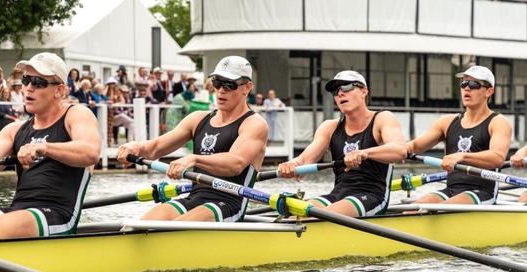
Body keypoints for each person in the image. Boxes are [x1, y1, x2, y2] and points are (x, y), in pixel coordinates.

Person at [0, 52, 101, 241]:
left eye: (38, 82)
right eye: (26, 80)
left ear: (60, 91)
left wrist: (44, 148)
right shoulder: (14, 129)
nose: (28, 88)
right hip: (17, 209)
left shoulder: (77, 115)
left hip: (56, 214)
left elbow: (90, 152)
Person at [118, 56, 268, 222]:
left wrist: (194, 159)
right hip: (194, 198)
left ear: (247, 87)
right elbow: (154, 148)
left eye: (229, 84)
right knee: (141, 225)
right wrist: (136, 147)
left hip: (229, 204)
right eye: (217, 82)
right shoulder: (197, 119)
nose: (221, 90)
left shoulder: (254, 124)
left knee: (175, 229)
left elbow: (235, 164)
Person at [278, 70, 406, 217]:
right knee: (297, 215)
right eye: (335, 90)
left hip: (371, 196)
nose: (340, 93)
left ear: (364, 91)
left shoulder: (383, 118)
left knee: (321, 216)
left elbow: (400, 150)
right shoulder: (329, 127)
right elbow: (304, 160)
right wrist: (290, 165)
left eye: (346, 87)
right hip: (337, 194)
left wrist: (364, 153)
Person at [406, 65, 512, 205]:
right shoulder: (447, 122)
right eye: (464, 84)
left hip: (482, 192)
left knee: (443, 209)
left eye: (474, 84)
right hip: (451, 190)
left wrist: (461, 156)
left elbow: (497, 158)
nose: (467, 88)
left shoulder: (498, 122)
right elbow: (415, 146)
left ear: (489, 91)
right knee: (415, 208)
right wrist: (397, 149)